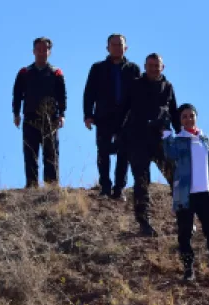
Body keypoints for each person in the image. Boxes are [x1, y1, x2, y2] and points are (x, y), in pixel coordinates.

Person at [161, 104, 209, 283]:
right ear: (180, 120)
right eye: (184, 116)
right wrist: (166, 135)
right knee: (185, 233)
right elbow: (169, 155)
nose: (189, 119)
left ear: (196, 117)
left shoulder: (206, 140)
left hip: (207, 193)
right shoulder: (178, 140)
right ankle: (188, 269)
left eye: (191, 115)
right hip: (185, 194)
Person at [122, 53, 179, 236]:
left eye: (157, 66)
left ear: (162, 67)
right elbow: (124, 109)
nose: (154, 68)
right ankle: (144, 222)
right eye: (151, 65)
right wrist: (120, 134)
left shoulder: (168, 87)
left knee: (175, 176)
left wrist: (181, 136)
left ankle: (183, 218)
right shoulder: (135, 85)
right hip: (138, 139)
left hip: (161, 139)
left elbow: (174, 113)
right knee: (141, 180)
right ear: (145, 66)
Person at [83, 34, 141, 200]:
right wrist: (88, 115)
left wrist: (138, 117)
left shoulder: (133, 69)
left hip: (126, 118)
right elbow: (89, 93)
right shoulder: (98, 68)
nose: (117, 47)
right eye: (113, 45)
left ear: (126, 47)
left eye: (120, 44)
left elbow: (139, 96)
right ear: (107, 48)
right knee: (103, 152)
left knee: (124, 153)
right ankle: (105, 187)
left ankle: (119, 188)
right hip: (103, 116)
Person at [12, 37, 66, 189]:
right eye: (39, 49)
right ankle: (31, 186)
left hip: (51, 120)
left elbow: (62, 96)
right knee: (30, 154)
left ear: (50, 51)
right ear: (33, 51)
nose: (42, 52)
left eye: (45, 49)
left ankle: (52, 187)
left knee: (51, 154)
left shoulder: (56, 73)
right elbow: (17, 95)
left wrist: (62, 114)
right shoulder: (24, 72)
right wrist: (16, 114)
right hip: (30, 119)